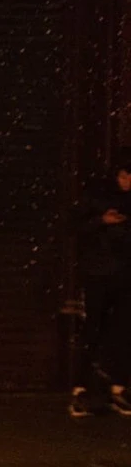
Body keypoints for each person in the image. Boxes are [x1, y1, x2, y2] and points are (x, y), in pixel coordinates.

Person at [72, 153, 131, 416]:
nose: (128, 182)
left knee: (122, 330)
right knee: (93, 329)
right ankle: (81, 388)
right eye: (125, 176)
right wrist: (101, 221)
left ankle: (117, 387)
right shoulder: (97, 196)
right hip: (98, 274)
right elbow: (75, 226)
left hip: (123, 274)